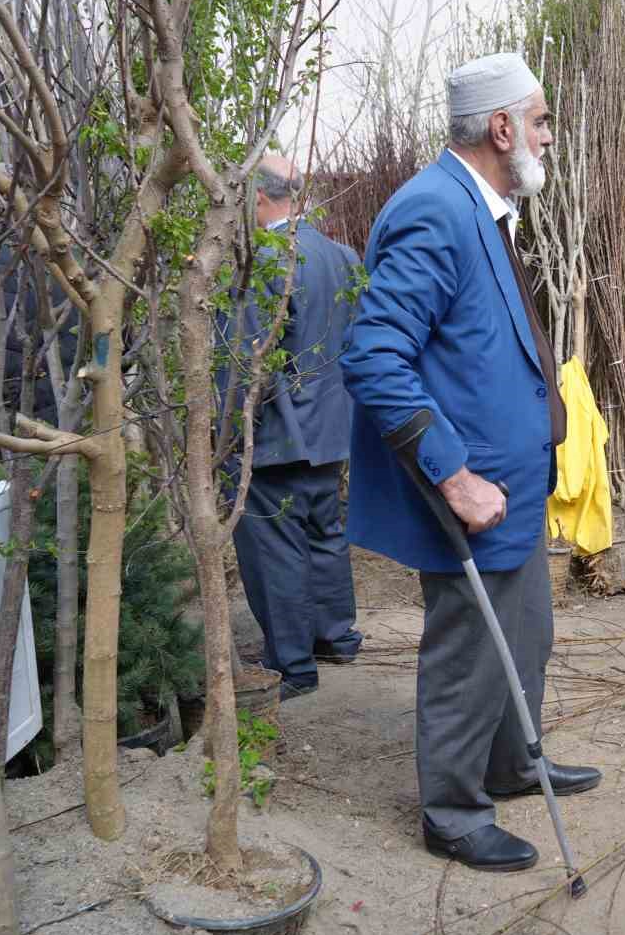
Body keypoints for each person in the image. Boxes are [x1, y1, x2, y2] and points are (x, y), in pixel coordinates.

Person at [341, 52, 599, 873]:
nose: (549, 137)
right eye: (543, 120)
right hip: (474, 490)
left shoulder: (479, 207)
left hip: (516, 485)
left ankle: (509, 762)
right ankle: (452, 812)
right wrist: (452, 474)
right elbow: (375, 354)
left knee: (526, 635)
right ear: (502, 128)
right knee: (469, 650)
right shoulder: (433, 210)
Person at [219, 155, 363, 700]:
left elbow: (245, 358)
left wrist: (231, 432)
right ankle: (336, 636)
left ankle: (293, 664)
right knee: (325, 532)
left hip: (277, 433)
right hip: (330, 430)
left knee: (274, 547)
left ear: (259, 198)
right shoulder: (342, 256)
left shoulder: (263, 263)